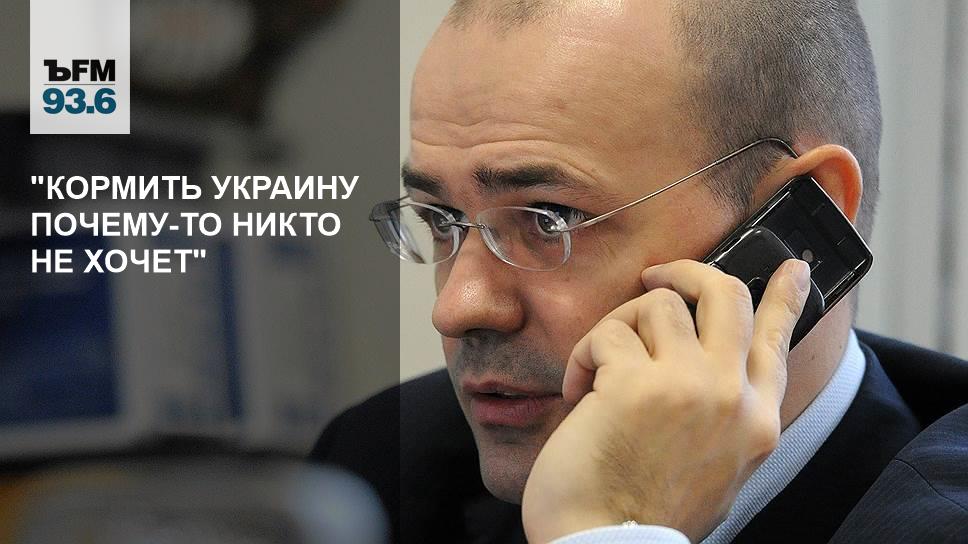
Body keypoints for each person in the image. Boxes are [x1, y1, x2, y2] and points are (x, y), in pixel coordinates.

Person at [311, 0, 968, 542]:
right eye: (441, 219)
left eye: (550, 219)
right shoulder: (380, 462)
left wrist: (609, 528)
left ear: (800, 223)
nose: (457, 307)